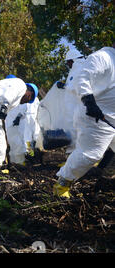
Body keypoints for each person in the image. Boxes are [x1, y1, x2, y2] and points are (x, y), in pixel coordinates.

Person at [54, 44, 115, 199]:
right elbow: (83, 77)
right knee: (90, 154)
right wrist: (89, 102)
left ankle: (107, 180)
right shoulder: (103, 57)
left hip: (111, 118)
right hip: (96, 117)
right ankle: (62, 183)